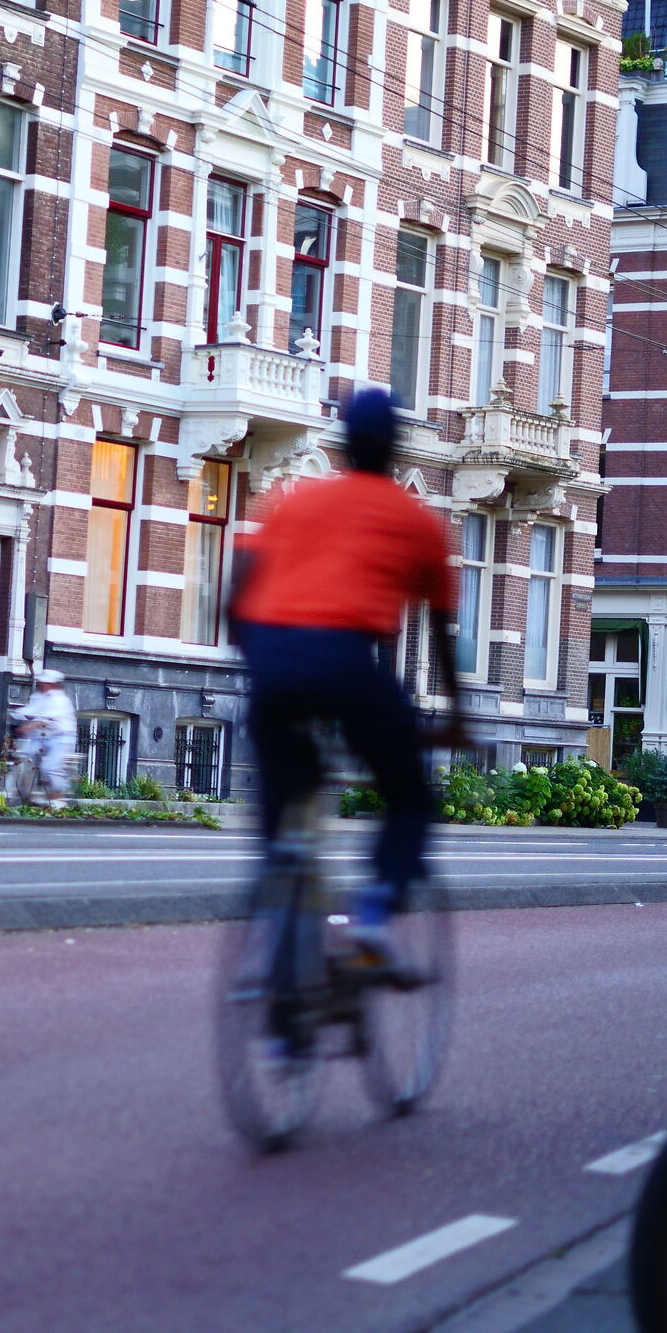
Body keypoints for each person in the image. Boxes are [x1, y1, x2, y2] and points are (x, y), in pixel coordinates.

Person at [228, 386, 469, 952]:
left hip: (272, 659)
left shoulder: (293, 503)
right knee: (410, 797)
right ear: (395, 447)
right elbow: (441, 634)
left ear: (346, 444)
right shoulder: (417, 523)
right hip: (346, 661)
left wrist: (263, 671)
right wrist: (457, 718)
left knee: (284, 787)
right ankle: (373, 914)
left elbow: (234, 601)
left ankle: (279, 887)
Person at [8, 667, 77, 808]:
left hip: (60, 738)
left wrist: (26, 727)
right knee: (25, 758)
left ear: (53, 684)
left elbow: (46, 719)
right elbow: (31, 710)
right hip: (40, 737)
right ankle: (28, 795)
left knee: (50, 767)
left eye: (45, 682)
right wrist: (13, 714)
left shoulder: (59, 700)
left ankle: (58, 801)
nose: (41, 684)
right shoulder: (39, 696)